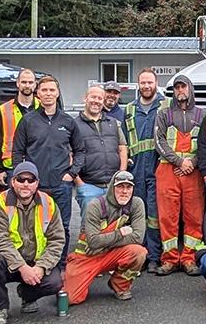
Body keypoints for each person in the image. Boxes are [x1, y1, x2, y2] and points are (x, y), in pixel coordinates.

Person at [0, 162, 66, 324]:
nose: (26, 184)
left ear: (37, 183)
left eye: (30, 180)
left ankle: (27, 294)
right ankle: (0, 309)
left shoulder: (48, 203)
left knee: (55, 282)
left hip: (35, 262)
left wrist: (41, 267)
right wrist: (22, 267)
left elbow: (57, 240)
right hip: (8, 261)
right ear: (13, 182)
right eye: (21, 179)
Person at [152, 75, 206, 276]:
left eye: (183, 86)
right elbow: (158, 141)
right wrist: (179, 162)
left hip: (193, 172)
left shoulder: (203, 115)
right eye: (176, 88)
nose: (180, 91)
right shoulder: (164, 114)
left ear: (190, 89)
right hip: (168, 169)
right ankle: (169, 259)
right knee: (168, 217)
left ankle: (189, 258)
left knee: (194, 216)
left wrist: (191, 163)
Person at [12, 75, 82, 234]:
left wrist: (72, 173)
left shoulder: (68, 121)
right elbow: (17, 152)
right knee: (35, 228)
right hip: (35, 185)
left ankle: (61, 260)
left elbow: (80, 151)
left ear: (58, 93)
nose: (48, 93)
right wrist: (23, 179)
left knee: (62, 228)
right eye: (44, 90)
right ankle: (38, 259)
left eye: (52, 90)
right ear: (38, 93)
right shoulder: (28, 121)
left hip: (62, 185)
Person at [65, 171, 147, 305]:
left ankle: (119, 285)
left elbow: (138, 237)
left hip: (111, 254)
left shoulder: (137, 204)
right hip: (87, 257)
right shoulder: (95, 205)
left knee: (139, 252)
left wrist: (106, 241)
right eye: (120, 187)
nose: (124, 191)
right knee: (69, 299)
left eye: (128, 187)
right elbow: (93, 242)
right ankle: (70, 275)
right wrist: (121, 232)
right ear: (112, 188)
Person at [123, 69, 167, 272]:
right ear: (138, 85)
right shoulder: (130, 109)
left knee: (155, 214)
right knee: (136, 215)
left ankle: (155, 257)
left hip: (158, 167)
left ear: (156, 83)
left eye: (150, 82)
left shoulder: (165, 106)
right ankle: (138, 256)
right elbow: (123, 141)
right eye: (143, 83)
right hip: (136, 169)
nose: (146, 86)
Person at [72, 85, 129, 232]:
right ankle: (86, 255)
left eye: (100, 98)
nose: (96, 101)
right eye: (93, 97)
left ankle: (111, 255)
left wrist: (121, 174)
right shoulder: (74, 125)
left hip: (113, 185)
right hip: (89, 186)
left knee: (114, 227)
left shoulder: (113, 123)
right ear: (85, 98)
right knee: (90, 228)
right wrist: (79, 183)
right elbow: (69, 154)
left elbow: (122, 148)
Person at [0, 69, 40, 193]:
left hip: (38, 164)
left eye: (30, 82)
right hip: (11, 166)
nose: (27, 85)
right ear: (17, 83)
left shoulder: (42, 108)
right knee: (12, 206)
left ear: (35, 84)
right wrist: (0, 169)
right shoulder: (4, 109)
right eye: (24, 82)